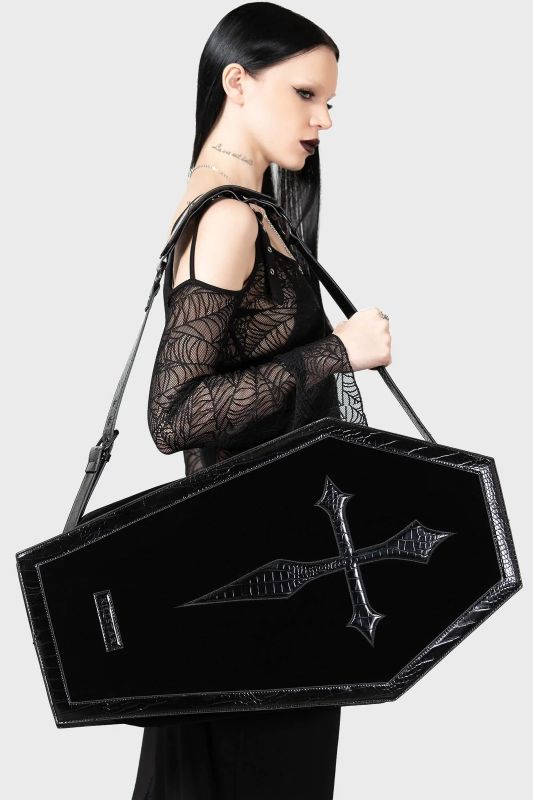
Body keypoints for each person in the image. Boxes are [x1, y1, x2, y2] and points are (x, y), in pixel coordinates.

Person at [130, 3, 392, 798]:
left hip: (272, 579)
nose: (324, 120)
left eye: (329, 101)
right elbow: (174, 415)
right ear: (236, 82)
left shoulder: (255, 209)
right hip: (250, 590)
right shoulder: (226, 218)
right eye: (305, 94)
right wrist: (336, 351)